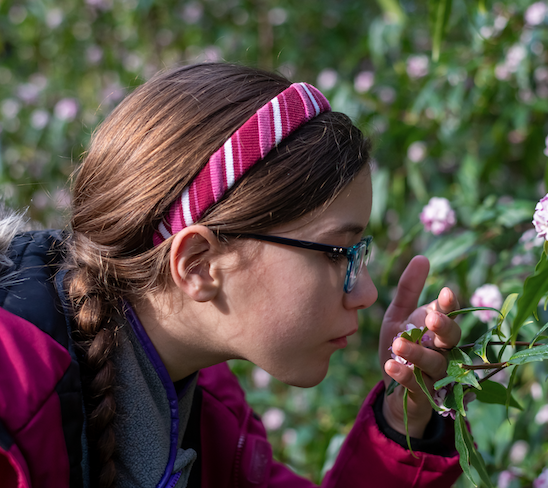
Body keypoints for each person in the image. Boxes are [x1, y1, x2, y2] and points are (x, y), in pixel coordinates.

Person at [0, 63, 464, 487]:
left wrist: (403, 419)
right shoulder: (14, 410)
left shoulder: (210, 409)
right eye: (336, 253)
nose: (365, 292)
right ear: (199, 264)